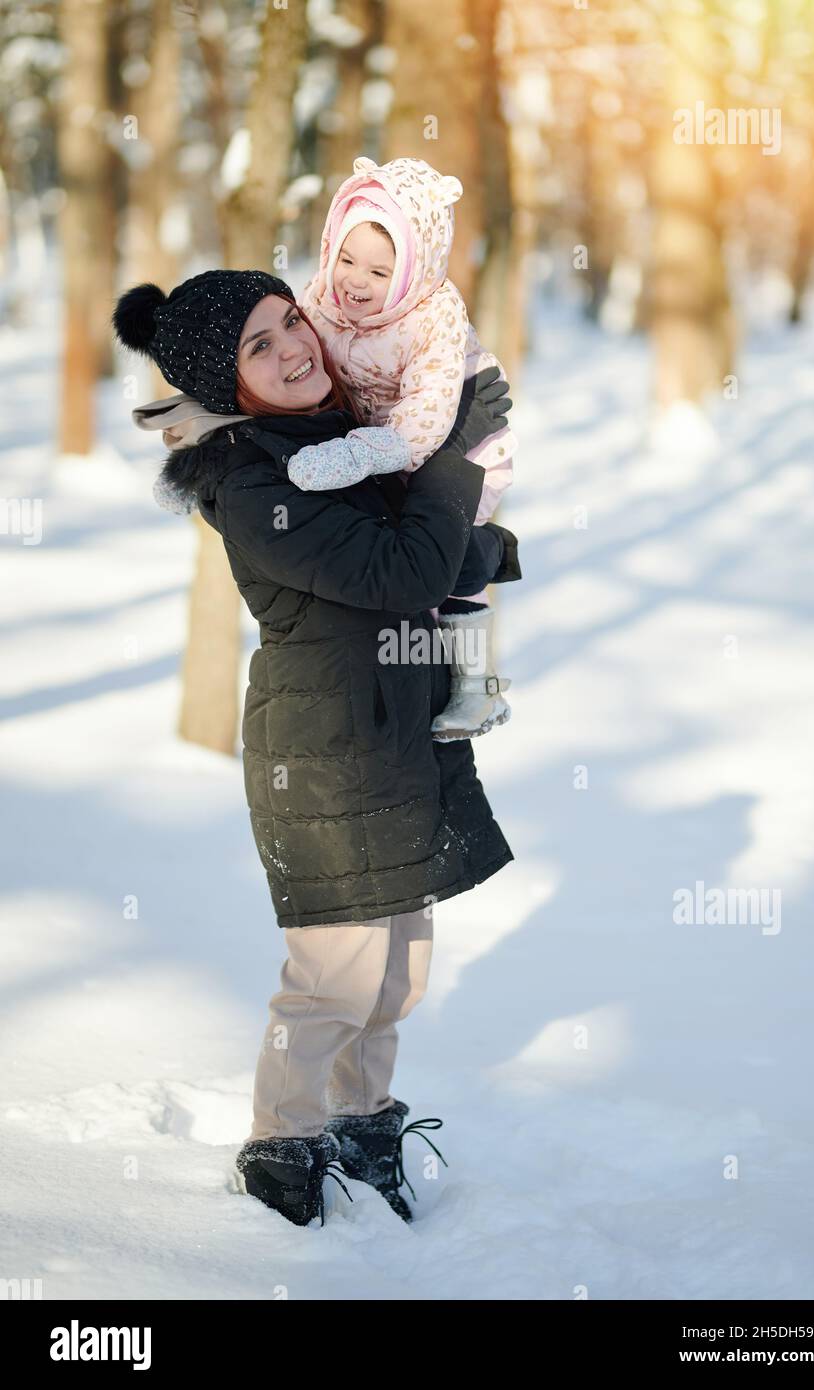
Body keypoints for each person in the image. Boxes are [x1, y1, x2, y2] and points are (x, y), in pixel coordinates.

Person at [112, 268, 521, 1227]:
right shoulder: (251, 478)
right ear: (226, 382)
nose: (294, 345)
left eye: (290, 319)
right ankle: (281, 1150)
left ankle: (363, 1121)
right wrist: (451, 457)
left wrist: (475, 527)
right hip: (326, 751)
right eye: (259, 345)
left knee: (396, 974)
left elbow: (424, 555)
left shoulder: (334, 440)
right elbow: (395, 568)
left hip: (397, 737)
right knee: (334, 975)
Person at [294, 156, 518, 741]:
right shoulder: (319, 299)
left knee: (451, 557)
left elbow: (424, 419)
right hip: (384, 439)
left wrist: (359, 454)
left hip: (462, 438)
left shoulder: (433, 315)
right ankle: (421, 679)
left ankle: (477, 687)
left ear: (413, 270)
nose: (354, 281)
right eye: (345, 259)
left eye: (378, 270)